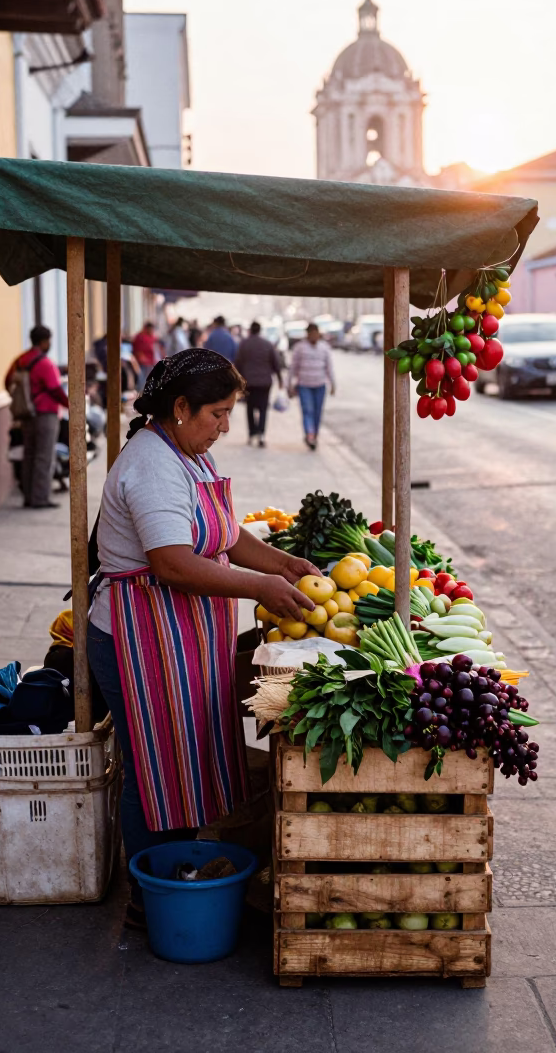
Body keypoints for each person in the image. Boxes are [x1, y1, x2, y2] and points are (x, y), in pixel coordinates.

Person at [86, 349, 319, 927]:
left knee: (182, 753)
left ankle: (180, 868)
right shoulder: (152, 464)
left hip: (180, 634)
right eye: (217, 413)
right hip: (139, 635)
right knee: (153, 764)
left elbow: (222, 533)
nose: (225, 426)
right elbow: (171, 563)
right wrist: (260, 587)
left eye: (230, 412)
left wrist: (281, 562)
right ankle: (151, 895)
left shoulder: (185, 452)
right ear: (180, 407)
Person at [5, 325, 68, 508]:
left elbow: (7, 382)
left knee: (29, 455)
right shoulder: (45, 363)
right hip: (45, 414)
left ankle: (28, 496)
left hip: (25, 415)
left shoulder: (20, 361)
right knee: (44, 456)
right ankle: (40, 498)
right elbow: (55, 389)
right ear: (44, 341)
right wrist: (70, 405)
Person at [235, 321, 283, 447]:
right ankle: (261, 434)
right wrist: (280, 379)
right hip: (264, 382)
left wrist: (236, 382)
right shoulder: (267, 344)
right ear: (260, 330)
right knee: (263, 408)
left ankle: (252, 433)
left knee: (250, 408)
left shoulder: (244, 344)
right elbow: (276, 363)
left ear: (250, 330)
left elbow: (238, 363)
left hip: (248, 382)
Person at [289, 322, 335, 450]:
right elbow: (293, 367)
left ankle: (314, 435)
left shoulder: (324, 348)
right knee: (307, 410)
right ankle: (309, 435)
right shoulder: (299, 348)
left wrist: (333, 383)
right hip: (304, 385)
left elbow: (329, 367)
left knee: (317, 412)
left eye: (316, 334)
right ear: (308, 334)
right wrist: (289, 384)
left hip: (320, 385)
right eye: (312, 334)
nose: (314, 336)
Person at [132, 321, 161, 390]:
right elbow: (137, 349)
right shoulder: (140, 337)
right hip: (142, 362)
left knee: (149, 380)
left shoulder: (152, 337)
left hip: (150, 362)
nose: (152, 331)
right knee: (142, 380)